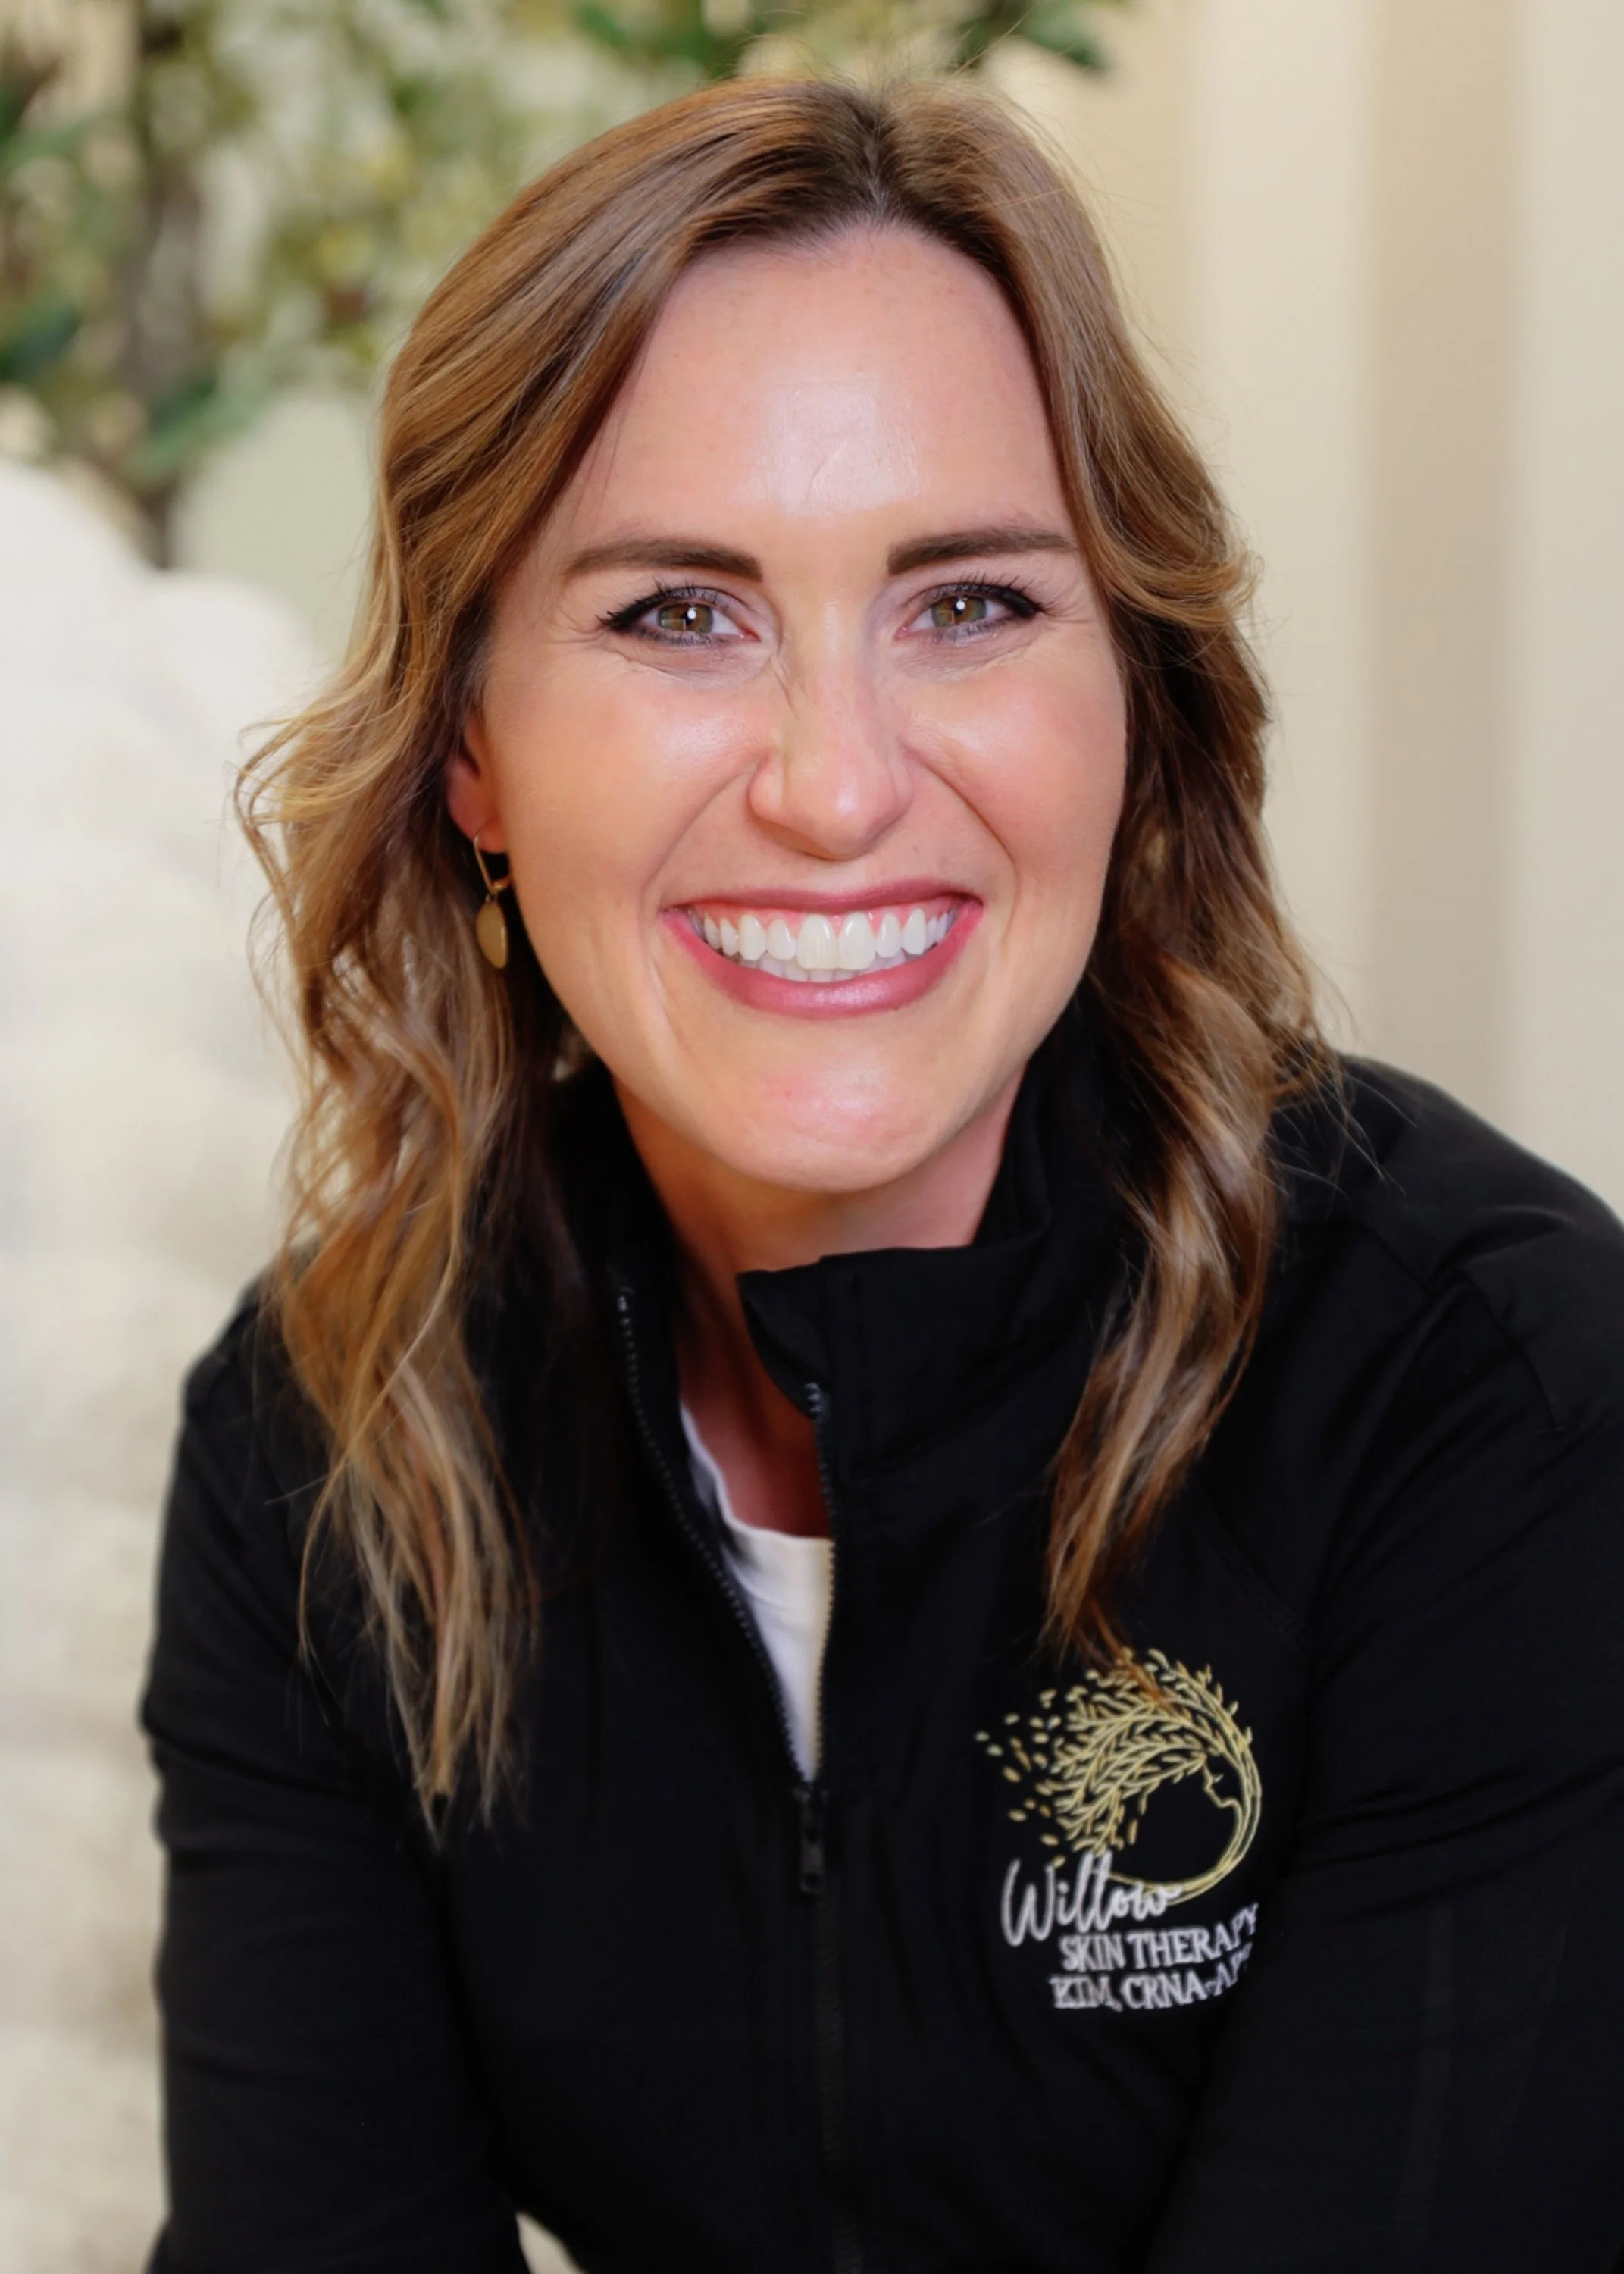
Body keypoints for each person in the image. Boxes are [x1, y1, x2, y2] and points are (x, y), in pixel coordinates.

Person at [142, 73, 1624, 2274]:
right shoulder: (326, 1442)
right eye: (678, 613)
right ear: (469, 750)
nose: (836, 790)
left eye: (971, 604)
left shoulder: (1482, 1389)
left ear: (1133, 705)